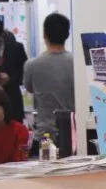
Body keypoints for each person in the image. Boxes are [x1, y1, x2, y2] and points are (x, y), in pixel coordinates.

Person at [24, 12, 75, 143]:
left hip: (44, 135)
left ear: (44, 34)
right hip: (73, 133)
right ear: (67, 35)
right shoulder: (76, 64)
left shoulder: (32, 65)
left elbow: (30, 89)